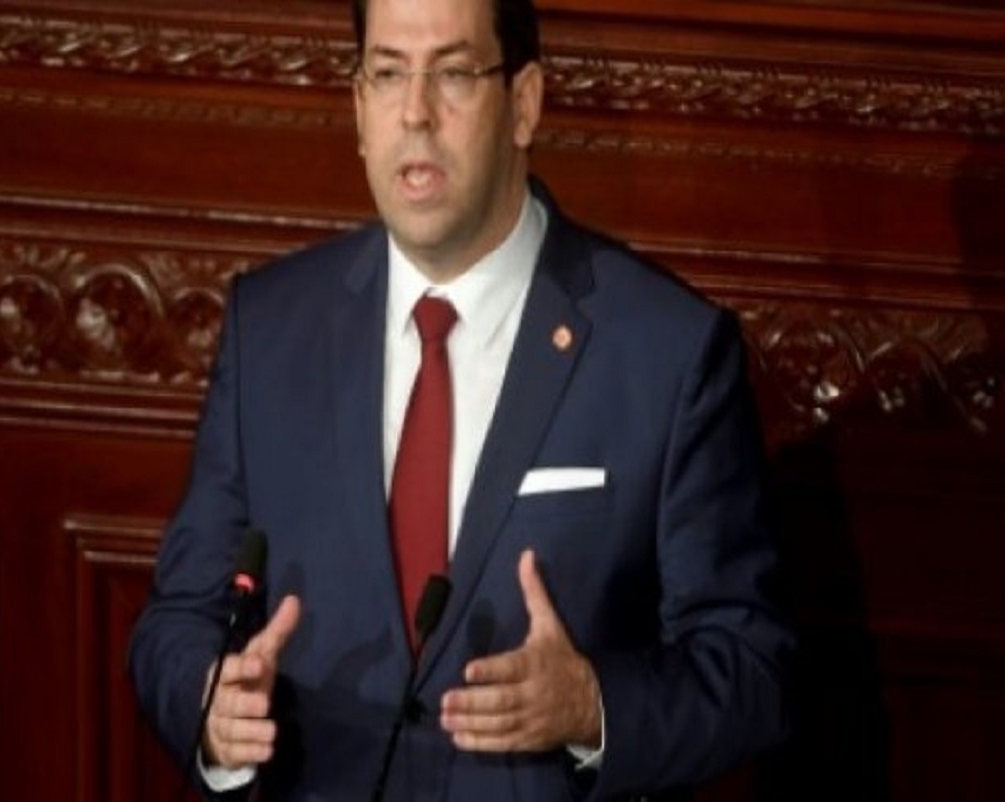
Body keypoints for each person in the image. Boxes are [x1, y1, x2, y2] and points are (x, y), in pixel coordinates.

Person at [128, 0, 793, 799]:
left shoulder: (667, 352)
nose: (415, 113)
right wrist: (212, 709)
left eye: (452, 73)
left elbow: (752, 669)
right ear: (359, 109)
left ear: (525, 103)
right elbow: (178, 621)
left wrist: (593, 706)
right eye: (388, 74)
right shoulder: (269, 328)